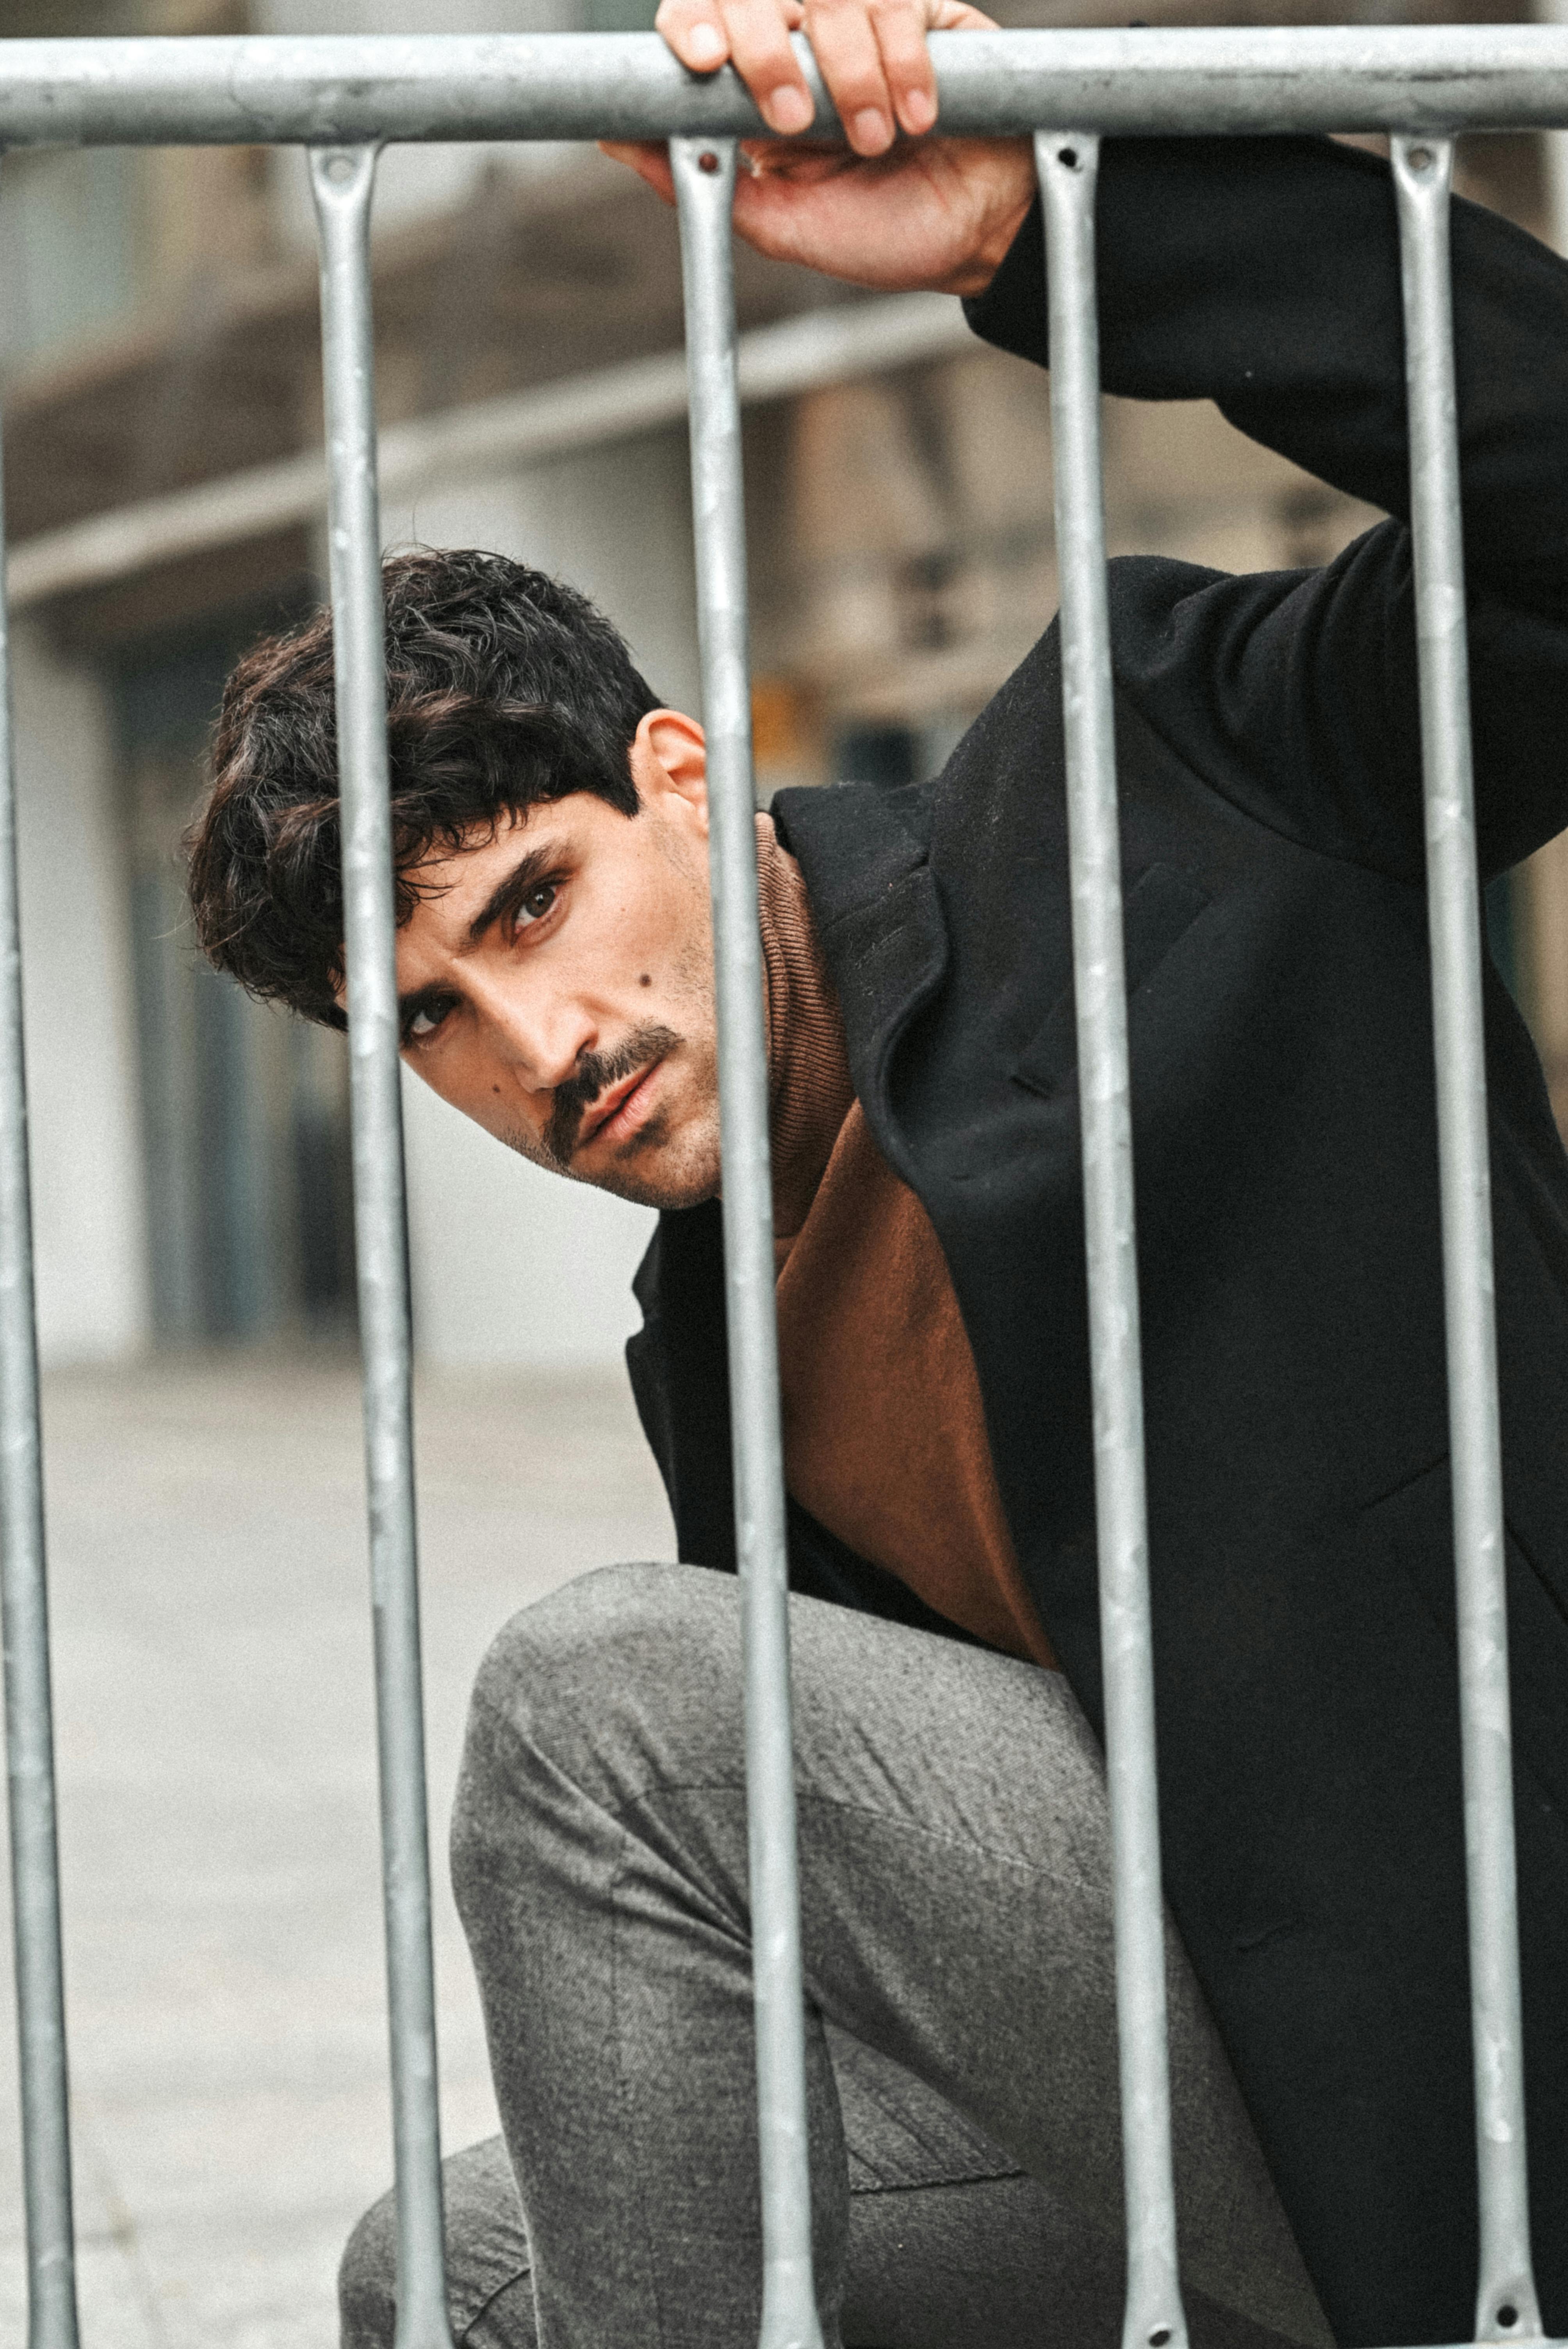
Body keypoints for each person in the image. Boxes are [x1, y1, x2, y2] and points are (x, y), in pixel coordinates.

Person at [184, 0, 1568, 2339]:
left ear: (685, 773)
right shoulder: (714, 1321)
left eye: (531, 900)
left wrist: (1050, 212)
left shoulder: (1166, 788)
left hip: (1487, 2007)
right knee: (449, 2271)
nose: (540, 1048)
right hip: (1231, 2091)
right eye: (428, 1017)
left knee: (608, 1691)